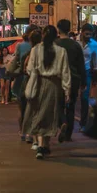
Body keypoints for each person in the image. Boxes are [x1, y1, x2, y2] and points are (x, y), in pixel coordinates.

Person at [22, 25, 71, 160]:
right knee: (50, 115)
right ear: (56, 36)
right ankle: (45, 145)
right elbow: (65, 72)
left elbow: (30, 69)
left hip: (38, 83)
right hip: (54, 85)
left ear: (43, 35)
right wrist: (67, 90)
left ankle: (41, 145)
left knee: (38, 114)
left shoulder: (36, 50)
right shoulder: (61, 51)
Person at [56, 19, 86, 142]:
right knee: (71, 106)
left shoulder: (55, 44)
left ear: (58, 29)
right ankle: (68, 134)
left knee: (58, 105)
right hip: (74, 79)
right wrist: (83, 82)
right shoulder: (76, 45)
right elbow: (81, 65)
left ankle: (62, 122)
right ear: (69, 29)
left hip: (58, 79)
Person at [79, 23, 97, 132]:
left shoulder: (94, 45)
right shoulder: (76, 43)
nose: (88, 36)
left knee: (84, 98)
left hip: (87, 72)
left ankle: (83, 123)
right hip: (74, 73)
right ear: (82, 32)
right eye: (86, 34)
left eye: (90, 34)